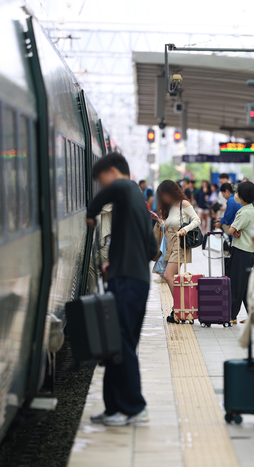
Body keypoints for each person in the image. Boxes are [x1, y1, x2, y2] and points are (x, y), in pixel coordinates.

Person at [85, 153, 158, 427]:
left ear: (113, 172)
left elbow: (115, 188)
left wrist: (92, 213)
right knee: (115, 344)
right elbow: (151, 249)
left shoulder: (126, 187)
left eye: (102, 181)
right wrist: (114, 263)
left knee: (122, 343)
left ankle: (135, 408)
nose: (103, 188)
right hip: (130, 278)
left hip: (128, 282)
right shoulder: (137, 201)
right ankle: (114, 407)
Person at [155, 180, 202, 323]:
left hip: (180, 245)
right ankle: (181, 309)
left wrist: (185, 229)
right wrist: (158, 220)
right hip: (171, 245)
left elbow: (197, 220)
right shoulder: (171, 207)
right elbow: (170, 225)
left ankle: (181, 308)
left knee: (168, 276)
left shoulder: (184, 204)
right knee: (173, 277)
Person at [227, 181, 254, 323]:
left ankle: (232, 315)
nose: (236, 195)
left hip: (241, 251)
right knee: (244, 286)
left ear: (243, 195)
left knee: (237, 285)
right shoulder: (250, 209)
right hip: (246, 251)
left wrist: (235, 230)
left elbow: (231, 230)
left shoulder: (244, 212)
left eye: (238, 192)